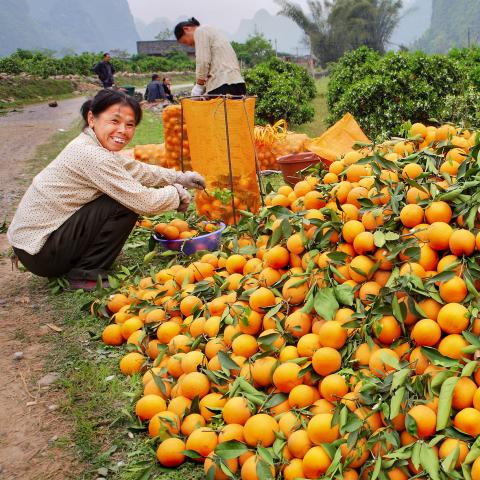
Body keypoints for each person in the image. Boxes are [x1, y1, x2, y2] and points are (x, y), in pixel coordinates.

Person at [7, 89, 205, 291]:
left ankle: (79, 261)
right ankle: (85, 274)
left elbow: (135, 169)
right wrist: (175, 194)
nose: (123, 131)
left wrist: (179, 177)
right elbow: (144, 201)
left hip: (35, 246)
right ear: (92, 118)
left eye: (129, 125)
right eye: (114, 121)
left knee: (121, 194)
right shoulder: (91, 155)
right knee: (122, 201)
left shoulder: (92, 145)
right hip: (40, 252)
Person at [174, 18, 246, 97]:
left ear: (186, 29)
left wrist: (199, 86)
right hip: (238, 83)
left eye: (185, 42)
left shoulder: (199, 31)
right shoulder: (212, 32)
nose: (188, 45)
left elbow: (203, 61)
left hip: (222, 84)